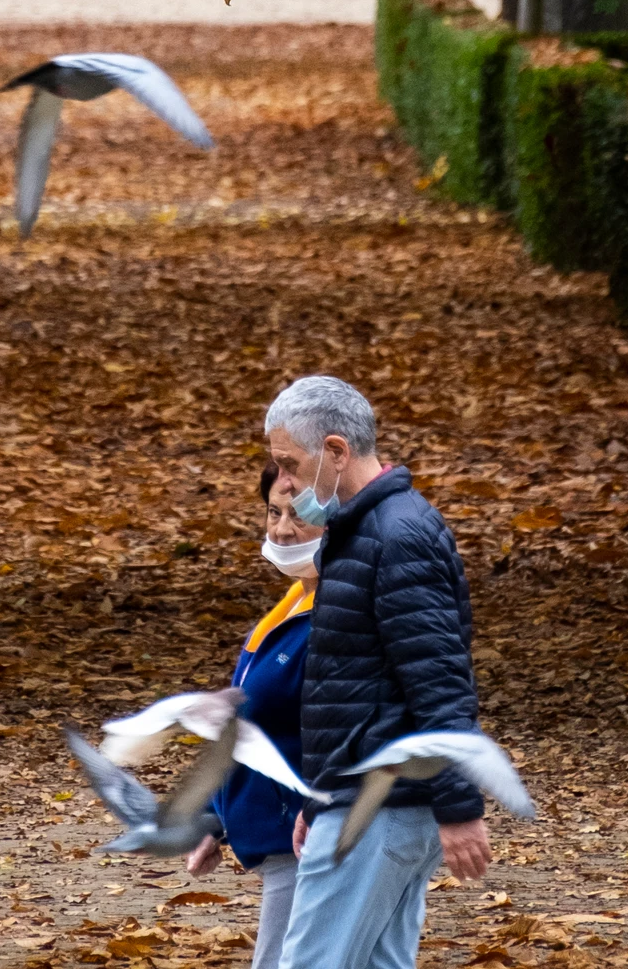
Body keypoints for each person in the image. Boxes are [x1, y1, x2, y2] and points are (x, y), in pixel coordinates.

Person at [263, 375, 490, 969]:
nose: (282, 482)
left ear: (336, 451)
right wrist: (319, 803)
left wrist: (458, 808)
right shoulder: (363, 531)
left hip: (378, 809)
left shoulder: (396, 535)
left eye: (289, 464)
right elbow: (355, 685)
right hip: (368, 803)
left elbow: (439, 682)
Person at [183, 460, 323, 969]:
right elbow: (260, 728)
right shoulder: (292, 603)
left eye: (299, 515)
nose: (283, 529)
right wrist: (217, 820)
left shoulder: (336, 618)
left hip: (308, 841)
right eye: (273, 512)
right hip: (277, 839)